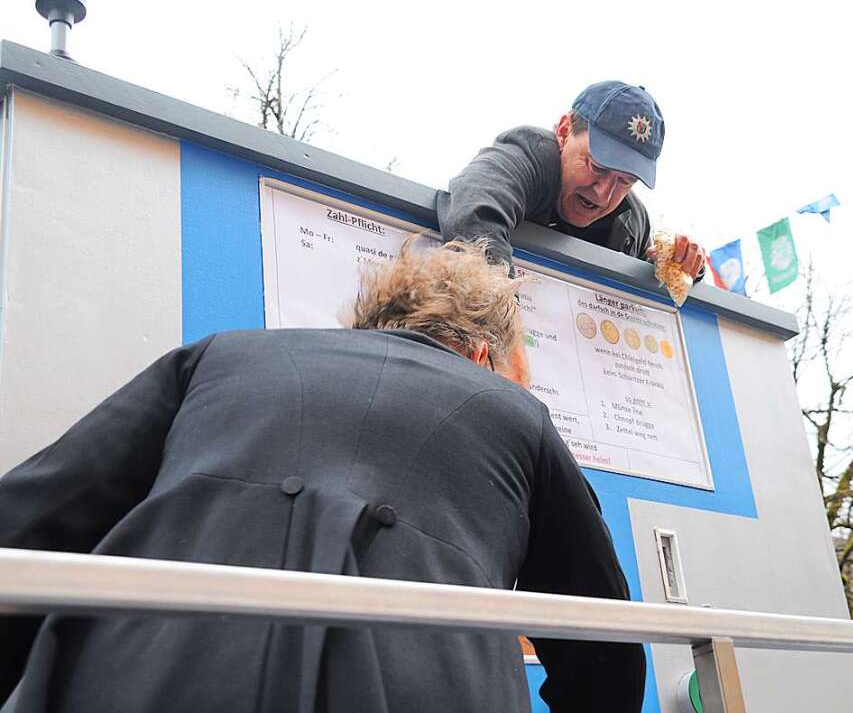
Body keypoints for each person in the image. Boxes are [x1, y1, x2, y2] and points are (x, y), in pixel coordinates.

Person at [0, 239, 644, 713]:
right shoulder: (515, 413)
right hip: (424, 688)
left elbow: (28, 521)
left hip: (137, 673)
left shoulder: (218, 358)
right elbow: (602, 637)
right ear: (482, 355)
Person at [438, 80, 707, 281]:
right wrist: (506, 331)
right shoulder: (527, 156)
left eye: (625, 181)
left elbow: (656, 278)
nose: (603, 193)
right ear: (565, 131)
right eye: (597, 166)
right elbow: (474, 215)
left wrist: (687, 264)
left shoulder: (632, 222)